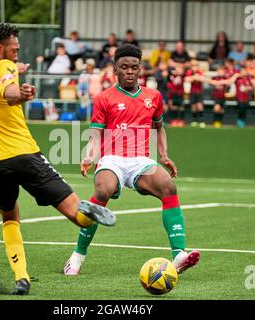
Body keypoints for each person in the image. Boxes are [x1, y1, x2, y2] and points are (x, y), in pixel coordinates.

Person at [0, 23, 116, 295]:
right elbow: (9, 90)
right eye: (15, 50)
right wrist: (18, 93)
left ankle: (21, 277)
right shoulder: (4, 68)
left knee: (10, 218)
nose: (18, 55)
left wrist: (16, 71)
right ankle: (97, 204)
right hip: (23, 155)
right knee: (78, 218)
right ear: (0, 49)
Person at [63, 44, 200, 276]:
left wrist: (164, 155)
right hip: (111, 160)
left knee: (168, 186)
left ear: (140, 70)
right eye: (124, 67)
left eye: (134, 67)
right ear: (115, 69)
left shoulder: (154, 96)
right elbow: (96, 133)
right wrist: (89, 155)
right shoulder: (104, 98)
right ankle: (77, 256)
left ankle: (178, 255)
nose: (129, 71)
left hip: (140, 161)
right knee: (104, 190)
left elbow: (160, 128)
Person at [185, 59, 206, 128]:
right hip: (192, 92)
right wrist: (194, 77)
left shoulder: (200, 72)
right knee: (193, 106)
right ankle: (194, 120)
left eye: (195, 65)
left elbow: (202, 79)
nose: (194, 67)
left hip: (199, 92)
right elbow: (187, 80)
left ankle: (202, 121)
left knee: (199, 105)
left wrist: (194, 78)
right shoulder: (189, 72)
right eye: (193, 65)